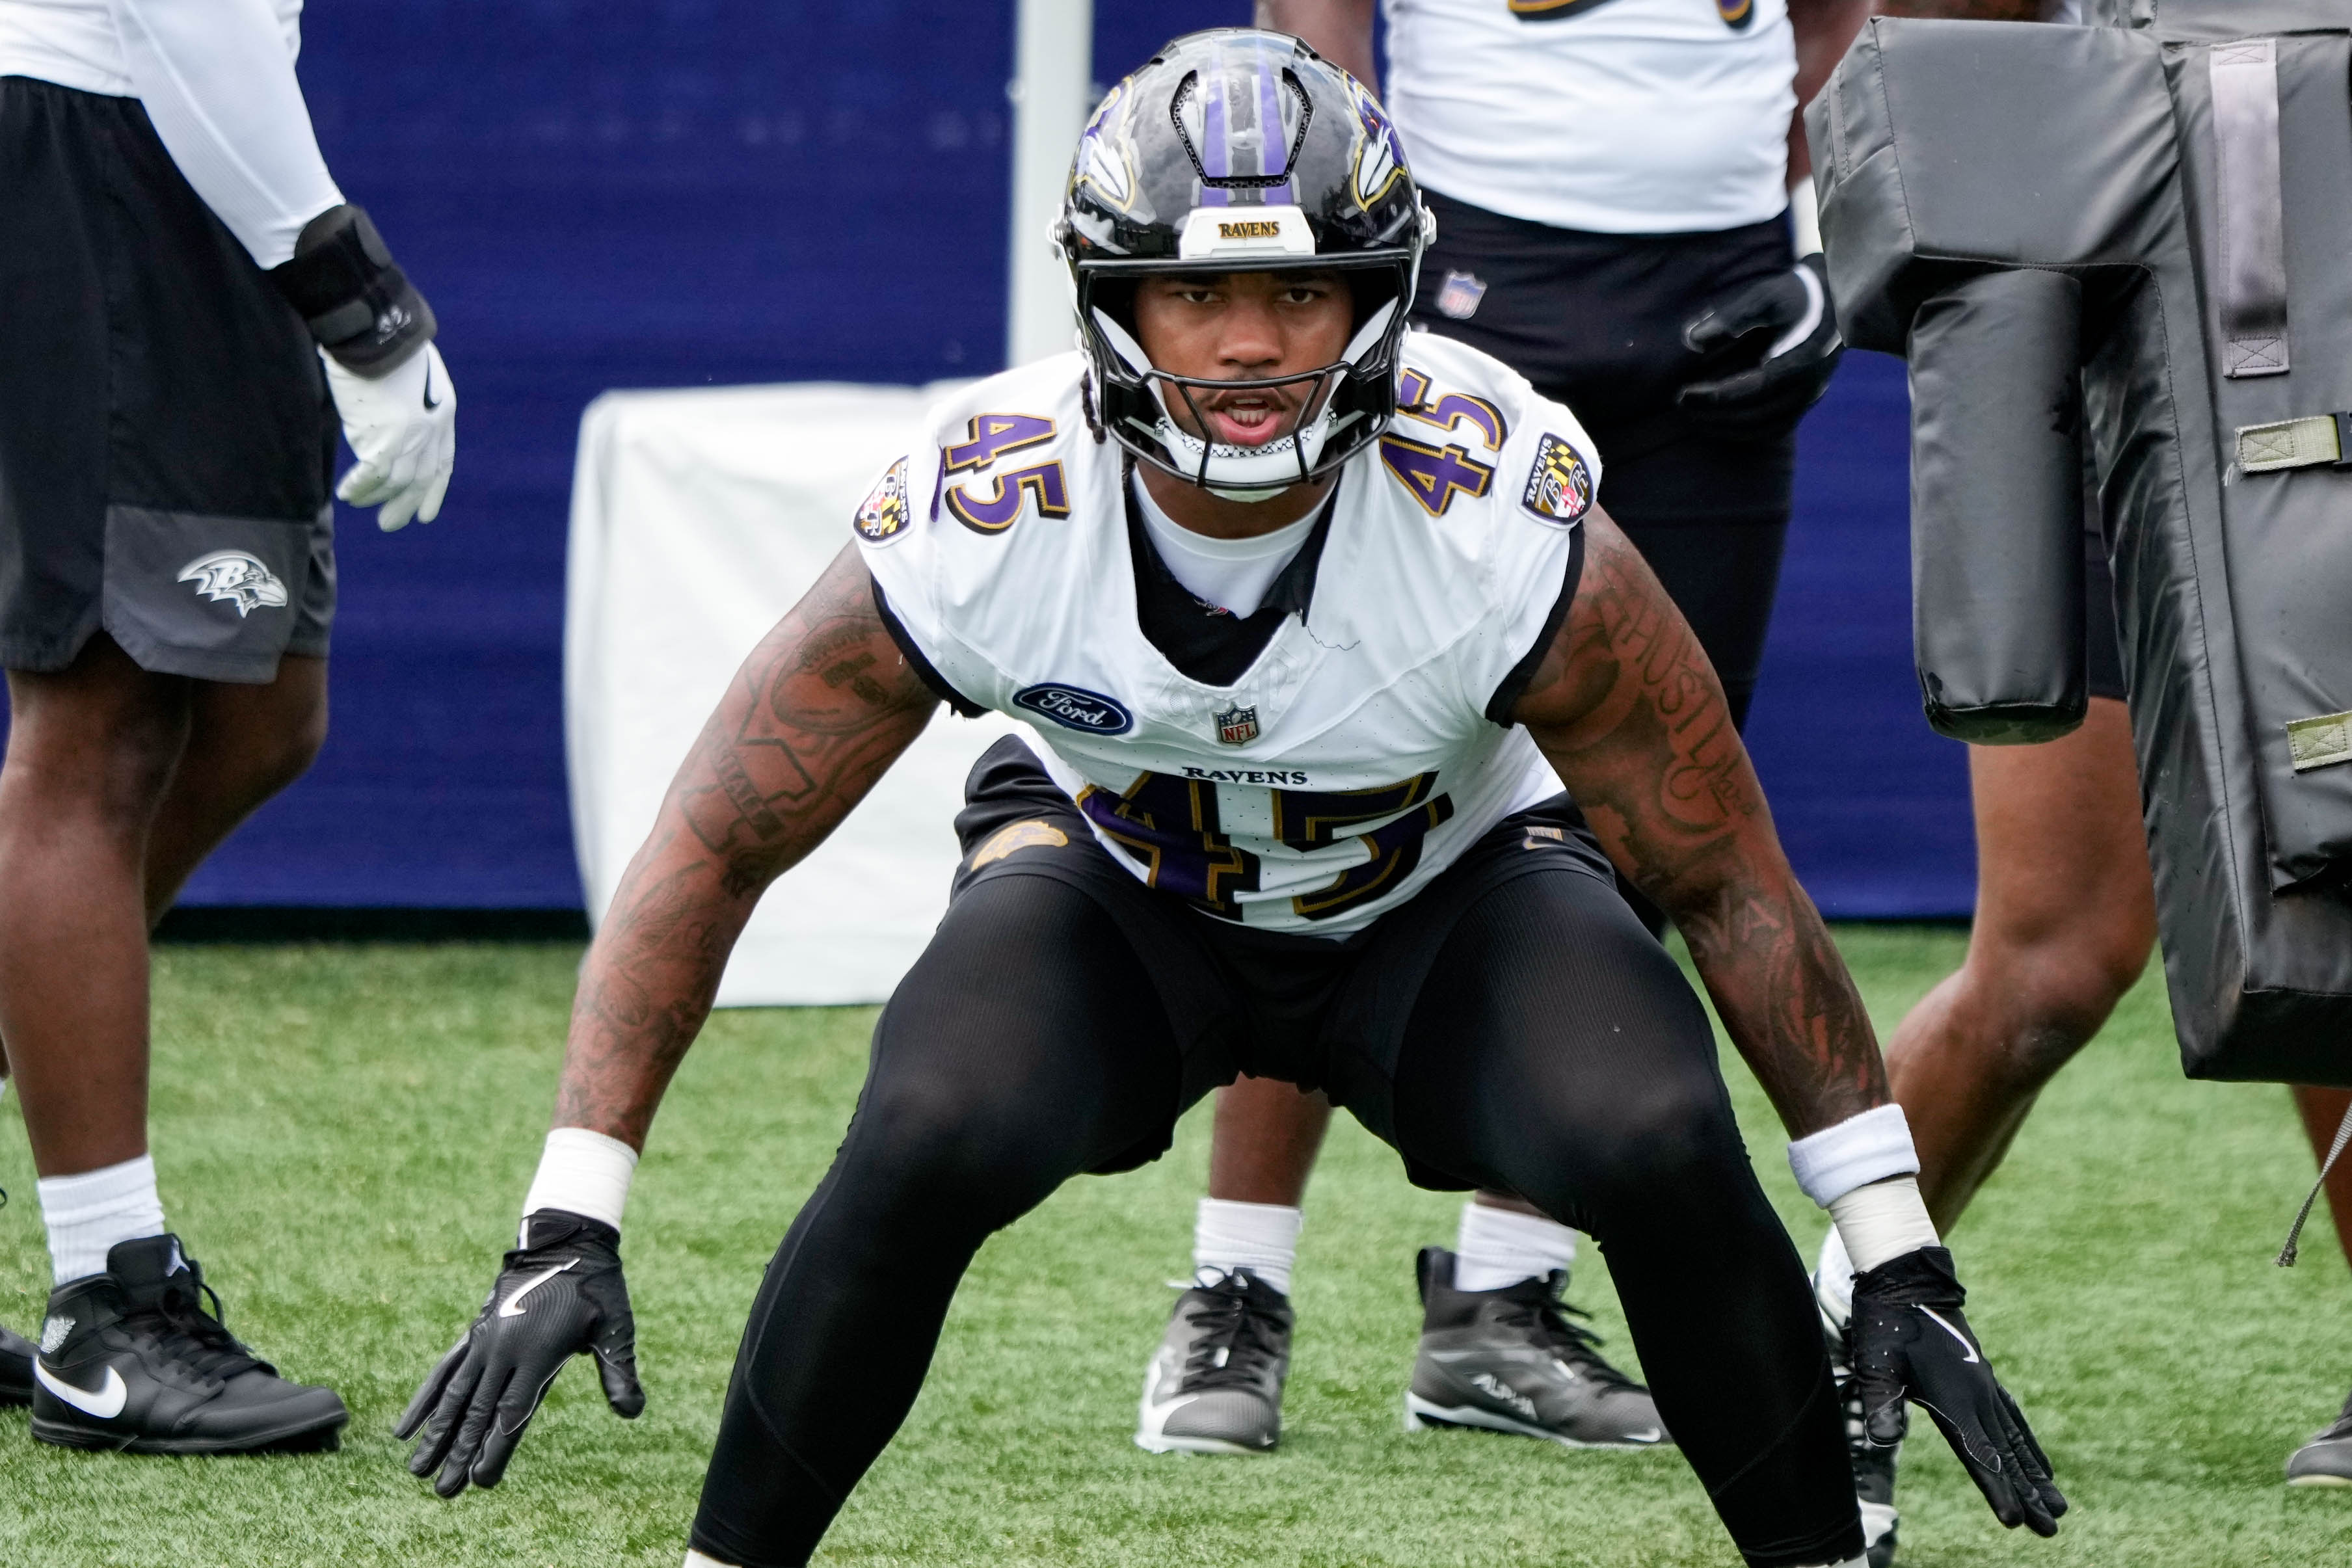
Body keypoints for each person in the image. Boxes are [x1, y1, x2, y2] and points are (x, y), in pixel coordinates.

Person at [399, 34, 2060, 1568]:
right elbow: (715, 839)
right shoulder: (994, 505)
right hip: (1125, 889)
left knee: (1651, 1128)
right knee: (928, 1122)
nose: (1255, 343)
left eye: (1305, 290)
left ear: (1381, 302)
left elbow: (1723, 877)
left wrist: (1893, 1242)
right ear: (1111, 304)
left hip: (1447, 891)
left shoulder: (1492, 501)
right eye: (1197, 296)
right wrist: (569, 1212)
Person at [1133, 0, 1869, 1463]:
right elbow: (1309, 29)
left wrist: (1802, 217)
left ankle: (1500, 1302)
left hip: (1719, 286)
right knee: (1320, 774)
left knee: (1651, 818)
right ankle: (1237, 1277)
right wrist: (1345, 243)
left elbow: (1847, 18)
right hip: (1466, 260)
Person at [1802, 1, 2352, 1557]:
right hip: (2162, 374)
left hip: (2323, 309)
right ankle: (1815, 1336)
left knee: (2328, 885)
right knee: (2048, 959)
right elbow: (1945, 45)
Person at [0, 0, 456, 1449]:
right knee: (104, 726)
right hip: (107, 142)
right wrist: (357, 298)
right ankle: (110, 1299)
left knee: (256, 715)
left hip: (183, 151)